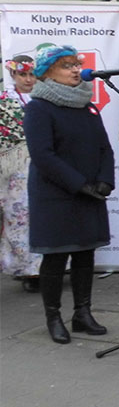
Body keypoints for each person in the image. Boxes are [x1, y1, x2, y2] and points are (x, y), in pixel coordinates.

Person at [23, 44, 114, 344]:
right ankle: (53, 317)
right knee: (56, 257)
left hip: (88, 193)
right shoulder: (38, 108)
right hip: (56, 195)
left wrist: (104, 180)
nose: (76, 69)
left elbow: (104, 146)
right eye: (67, 66)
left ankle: (82, 314)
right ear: (47, 73)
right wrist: (79, 184)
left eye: (76, 64)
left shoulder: (86, 105)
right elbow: (43, 156)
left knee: (85, 253)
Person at [1, 54, 41, 292]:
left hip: (42, 164)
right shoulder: (5, 102)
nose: (28, 79)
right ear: (13, 75)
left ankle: (45, 266)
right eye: (22, 74)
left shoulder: (45, 99)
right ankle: (25, 269)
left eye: (31, 74)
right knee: (19, 218)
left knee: (43, 216)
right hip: (15, 170)